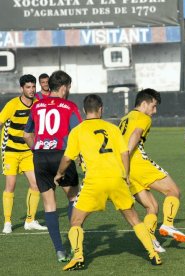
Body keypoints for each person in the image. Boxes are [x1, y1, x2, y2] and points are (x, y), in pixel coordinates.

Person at [54, 94, 161, 271]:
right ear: (101, 109)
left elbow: (67, 158)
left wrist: (59, 174)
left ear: (83, 110)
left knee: (76, 222)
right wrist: (126, 175)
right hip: (116, 180)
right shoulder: (112, 128)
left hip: (94, 182)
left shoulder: (78, 131)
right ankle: (153, 253)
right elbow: (124, 153)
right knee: (134, 219)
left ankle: (79, 256)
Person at [119, 88, 185, 252]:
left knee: (152, 207)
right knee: (174, 191)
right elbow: (135, 135)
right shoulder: (143, 117)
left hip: (123, 168)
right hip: (137, 163)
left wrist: (124, 169)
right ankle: (169, 224)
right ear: (144, 104)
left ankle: (150, 239)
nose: (154, 111)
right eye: (153, 106)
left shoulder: (124, 118)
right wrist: (128, 153)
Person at [23, 70, 81, 262]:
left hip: (40, 155)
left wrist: (37, 151)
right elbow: (78, 134)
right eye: (69, 87)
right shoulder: (70, 106)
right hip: (61, 154)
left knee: (49, 204)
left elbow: (26, 135)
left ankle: (59, 250)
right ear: (63, 87)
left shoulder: (37, 106)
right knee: (74, 198)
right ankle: (74, 244)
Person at [0, 74, 47, 234]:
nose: (32, 90)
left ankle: (30, 220)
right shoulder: (12, 105)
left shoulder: (38, 105)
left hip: (28, 151)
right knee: (10, 186)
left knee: (36, 185)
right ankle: (7, 222)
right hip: (11, 151)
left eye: (33, 87)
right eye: (28, 87)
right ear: (22, 88)